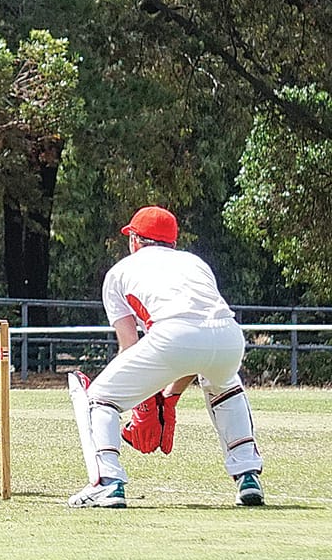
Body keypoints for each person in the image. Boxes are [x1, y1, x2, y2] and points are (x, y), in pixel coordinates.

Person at [68, 206, 266, 508]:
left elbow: (130, 346)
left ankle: (107, 483)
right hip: (229, 337)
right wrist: (169, 397)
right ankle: (248, 476)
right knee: (225, 387)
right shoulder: (195, 263)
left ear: (135, 239)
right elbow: (199, 348)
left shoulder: (119, 271)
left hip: (174, 335)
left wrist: (144, 404)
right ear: (172, 242)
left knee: (100, 398)